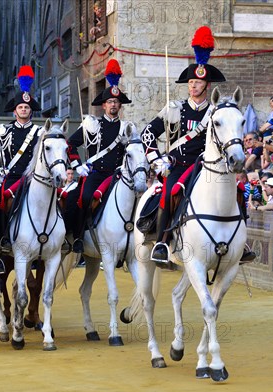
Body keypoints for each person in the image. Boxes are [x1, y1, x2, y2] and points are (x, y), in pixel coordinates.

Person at [139, 26, 255, 265]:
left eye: (198, 82)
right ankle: (161, 242)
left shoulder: (217, 111)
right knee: (169, 192)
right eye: (191, 81)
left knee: (240, 192)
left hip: (208, 166)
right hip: (179, 166)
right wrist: (157, 162)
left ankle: (240, 243)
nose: (193, 86)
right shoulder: (174, 109)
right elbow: (147, 134)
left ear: (207, 86)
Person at [66, 59, 133, 253]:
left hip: (117, 175)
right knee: (84, 198)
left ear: (120, 105)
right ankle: (78, 237)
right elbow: (70, 144)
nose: (113, 104)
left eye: (116, 102)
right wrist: (77, 164)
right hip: (95, 173)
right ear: (103, 105)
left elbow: (134, 150)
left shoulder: (127, 127)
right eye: (110, 102)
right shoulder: (91, 124)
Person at [0, 65, 43, 253]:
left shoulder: (39, 132)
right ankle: (2, 240)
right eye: (20, 107)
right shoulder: (4, 131)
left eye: (26, 107)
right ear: (14, 111)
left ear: (31, 111)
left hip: (33, 179)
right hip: (11, 178)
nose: (23, 110)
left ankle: (58, 240)